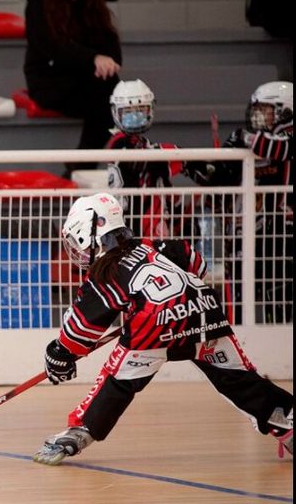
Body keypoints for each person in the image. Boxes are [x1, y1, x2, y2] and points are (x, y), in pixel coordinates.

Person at [31, 193, 293, 466]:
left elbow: (78, 333)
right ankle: (287, 420)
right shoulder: (154, 245)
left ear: (89, 233)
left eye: (77, 241)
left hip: (154, 328)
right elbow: (196, 262)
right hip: (205, 312)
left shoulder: (104, 271)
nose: (77, 251)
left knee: (118, 380)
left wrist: (59, 355)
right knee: (239, 380)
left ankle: (79, 433)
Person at [184, 81, 293, 325]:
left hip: (282, 234)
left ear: (284, 111)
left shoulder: (278, 140)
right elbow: (219, 186)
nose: (257, 115)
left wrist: (244, 138)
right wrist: (208, 170)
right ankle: (243, 344)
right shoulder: (251, 145)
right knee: (239, 300)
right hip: (246, 234)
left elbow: (281, 147)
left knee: (281, 301)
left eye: (264, 109)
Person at [23, 0, 122, 177]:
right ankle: (82, 165)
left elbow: (111, 47)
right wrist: (93, 58)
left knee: (112, 93)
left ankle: (81, 165)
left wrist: (108, 63)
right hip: (49, 80)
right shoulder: (38, 2)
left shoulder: (95, 2)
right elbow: (51, 46)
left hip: (84, 79)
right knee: (107, 101)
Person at [106, 79, 183, 238]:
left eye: (140, 109)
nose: (135, 115)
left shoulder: (143, 144)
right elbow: (146, 161)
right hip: (130, 220)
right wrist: (180, 155)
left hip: (144, 218)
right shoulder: (119, 143)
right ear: (116, 112)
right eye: (128, 111)